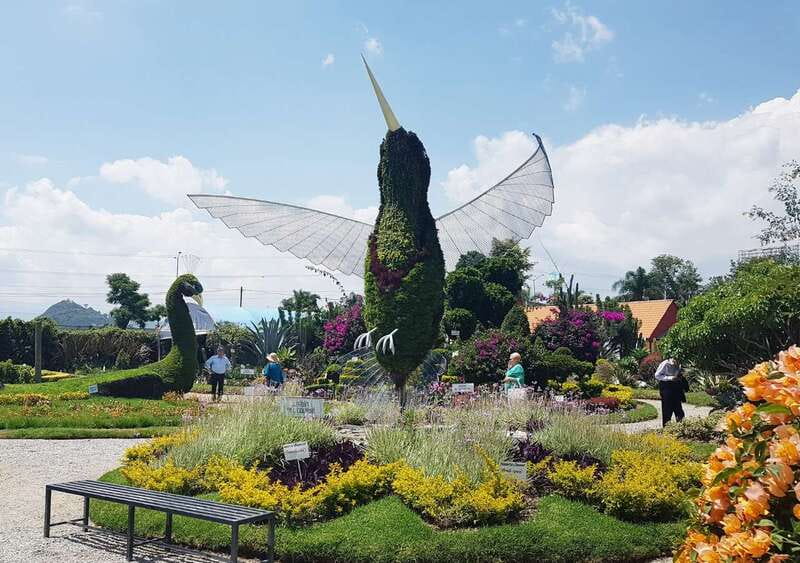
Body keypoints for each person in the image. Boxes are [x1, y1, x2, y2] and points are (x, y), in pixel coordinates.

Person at [655, 357, 688, 426]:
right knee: (667, 409)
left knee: (678, 409)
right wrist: (670, 378)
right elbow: (657, 375)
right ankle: (666, 428)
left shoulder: (678, 364)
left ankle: (681, 427)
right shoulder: (665, 364)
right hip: (666, 387)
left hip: (676, 387)